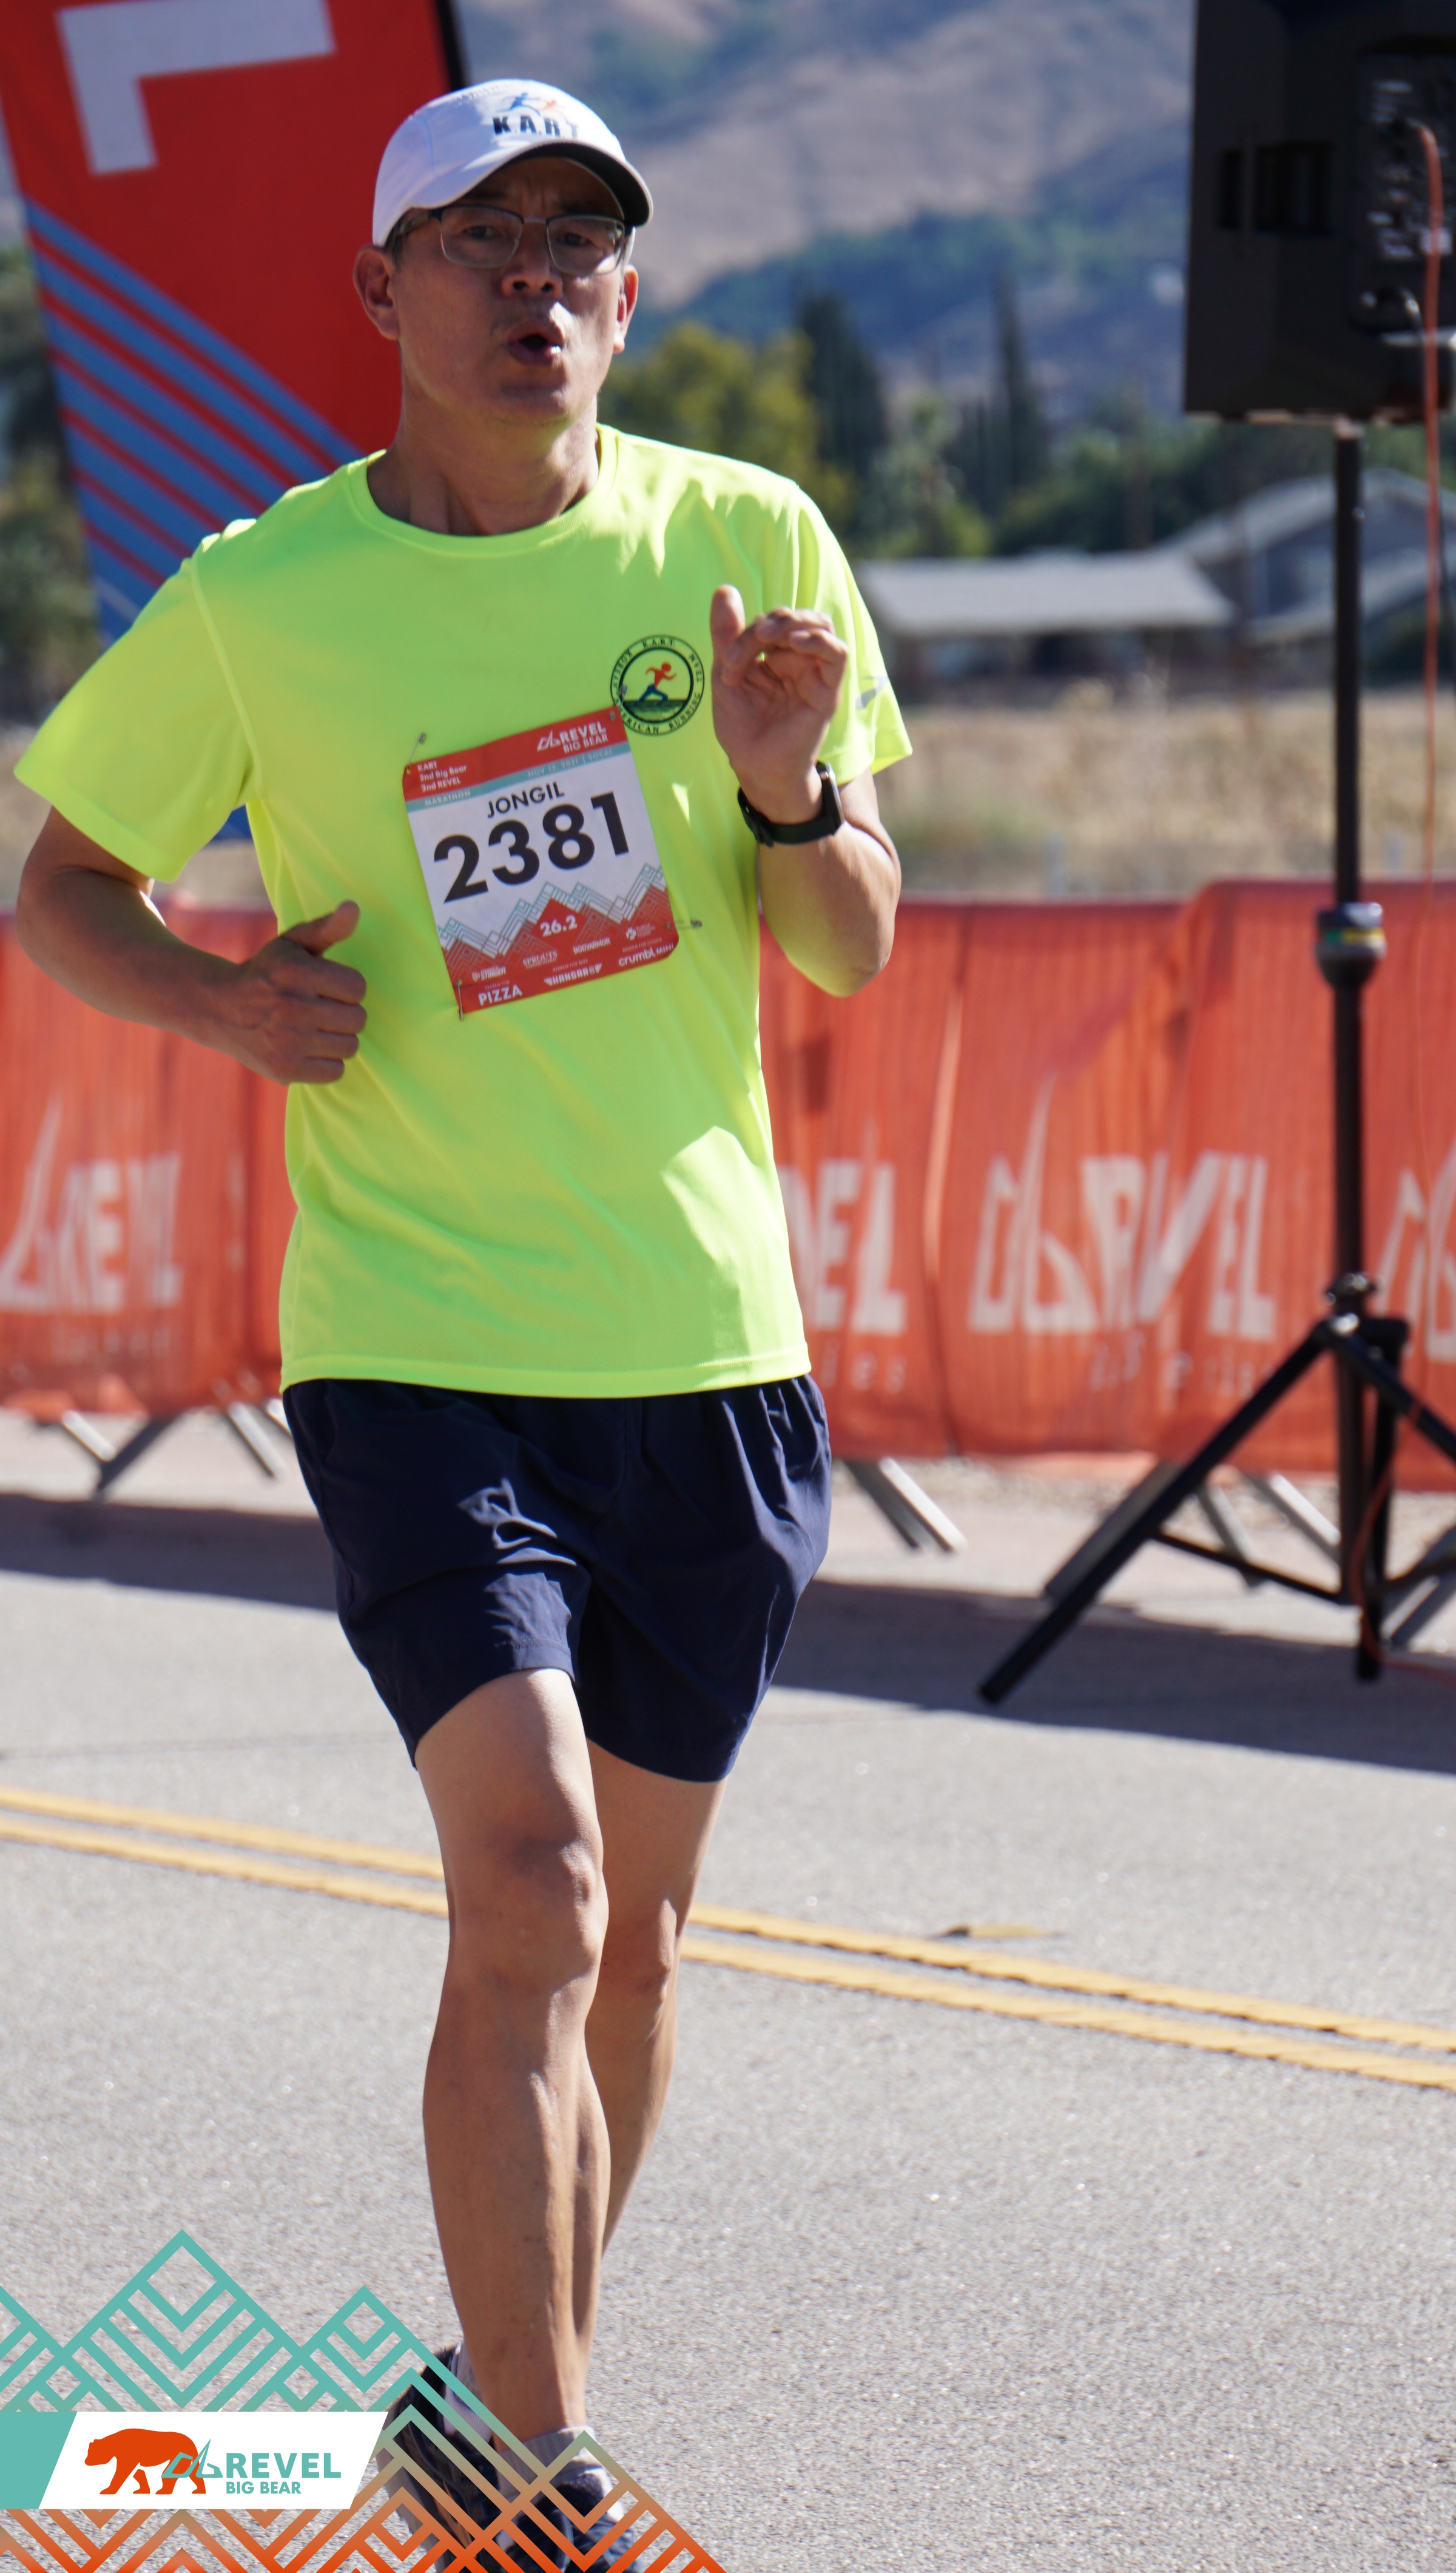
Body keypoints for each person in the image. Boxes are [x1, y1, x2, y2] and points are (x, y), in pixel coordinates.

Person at [15, 74, 908, 2563]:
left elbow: (853, 945)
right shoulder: (267, 596)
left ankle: (485, 2436)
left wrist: (783, 787)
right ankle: (551, 2482)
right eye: (483, 242)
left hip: (705, 1347)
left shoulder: (747, 542)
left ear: (626, 290)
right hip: (415, 1340)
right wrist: (222, 1002)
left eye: (580, 243)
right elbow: (63, 887)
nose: (539, 284)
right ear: (380, 291)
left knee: (632, 1962)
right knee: (531, 1886)